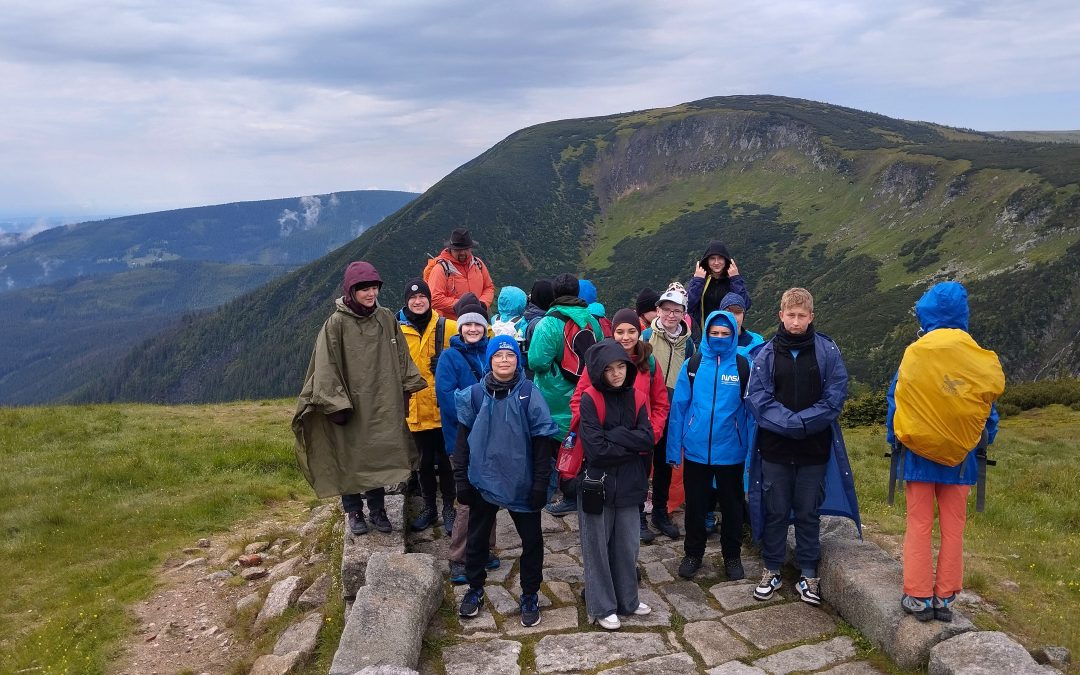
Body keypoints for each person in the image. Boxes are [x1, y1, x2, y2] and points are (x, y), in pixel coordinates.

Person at [887, 282, 1003, 622]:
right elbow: (987, 410)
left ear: (927, 314)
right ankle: (946, 596)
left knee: (919, 524)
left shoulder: (917, 351)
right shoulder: (975, 353)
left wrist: (894, 440)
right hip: (962, 459)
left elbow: (896, 398)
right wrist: (980, 442)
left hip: (918, 456)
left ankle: (918, 596)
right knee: (954, 528)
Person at [745, 288, 860, 606]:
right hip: (776, 448)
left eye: (802, 316)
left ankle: (809, 573)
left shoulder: (827, 351)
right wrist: (792, 423)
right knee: (776, 509)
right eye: (790, 315)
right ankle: (772, 569)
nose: (796, 321)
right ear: (781, 315)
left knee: (809, 511)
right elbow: (757, 398)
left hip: (813, 448)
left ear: (811, 317)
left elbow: (835, 394)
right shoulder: (766, 354)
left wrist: (801, 423)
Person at [293, 261, 427, 536]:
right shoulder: (336, 323)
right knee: (349, 456)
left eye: (374, 288)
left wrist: (405, 390)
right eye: (364, 289)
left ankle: (377, 511)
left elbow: (401, 355)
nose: (370, 294)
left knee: (377, 455)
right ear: (351, 291)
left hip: (382, 402)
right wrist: (334, 404)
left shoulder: (386, 318)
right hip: (349, 405)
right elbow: (326, 365)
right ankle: (353, 511)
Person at [454, 336, 558, 628]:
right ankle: (474, 589)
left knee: (532, 541)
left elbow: (542, 442)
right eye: (498, 355)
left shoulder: (529, 393)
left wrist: (540, 484)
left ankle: (529, 594)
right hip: (483, 480)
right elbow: (462, 443)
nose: (504, 360)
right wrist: (461, 479)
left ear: (517, 360)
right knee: (476, 539)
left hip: (522, 482)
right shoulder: (474, 395)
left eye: (509, 355)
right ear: (489, 360)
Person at [570, 309, 669, 542]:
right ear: (612, 333)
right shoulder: (598, 360)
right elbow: (579, 399)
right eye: (620, 331)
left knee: (636, 484)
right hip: (606, 443)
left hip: (640, 442)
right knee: (610, 490)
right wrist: (593, 430)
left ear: (639, 332)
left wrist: (651, 435)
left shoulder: (649, 362)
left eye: (632, 331)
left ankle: (637, 522)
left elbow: (660, 403)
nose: (626, 337)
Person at [667, 310, 752, 580]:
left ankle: (732, 557)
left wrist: (750, 456)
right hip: (696, 450)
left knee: (732, 507)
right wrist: (673, 450)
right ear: (706, 334)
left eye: (725, 333)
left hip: (732, 452)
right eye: (714, 332)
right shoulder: (693, 364)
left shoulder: (743, 365)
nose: (719, 337)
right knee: (695, 506)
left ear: (733, 334)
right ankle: (693, 554)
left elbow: (751, 414)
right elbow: (679, 408)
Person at [576, 340, 656, 629]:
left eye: (621, 366)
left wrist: (616, 434)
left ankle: (628, 600)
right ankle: (602, 605)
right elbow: (595, 450)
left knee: (627, 546)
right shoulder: (590, 399)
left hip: (629, 484)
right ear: (599, 371)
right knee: (596, 547)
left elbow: (647, 439)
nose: (617, 373)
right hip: (600, 484)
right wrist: (630, 442)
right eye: (609, 369)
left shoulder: (636, 397)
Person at [528, 273, 605, 516]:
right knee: (583, 441)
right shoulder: (593, 321)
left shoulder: (548, 324)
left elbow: (536, 361)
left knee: (558, 446)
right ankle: (584, 488)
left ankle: (568, 493)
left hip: (554, 395)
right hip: (586, 391)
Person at [435, 303, 497, 582]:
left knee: (492, 493)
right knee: (467, 497)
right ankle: (460, 557)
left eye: (478, 324)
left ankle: (486, 549)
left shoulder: (493, 351)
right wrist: (481, 416)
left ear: (485, 328)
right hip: (462, 437)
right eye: (468, 325)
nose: (473, 329)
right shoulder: (449, 357)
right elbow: (446, 398)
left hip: (494, 437)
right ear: (460, 328)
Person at [398, 278, 457, 534]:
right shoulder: (397, 331)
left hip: (443, 408)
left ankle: (449, 509)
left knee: (447, 462)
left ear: (429, 300)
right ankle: (430, 508)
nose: (418, 301)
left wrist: (449, 358)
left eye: (422, 297)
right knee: (422, 463)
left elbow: (477, 341)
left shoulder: (447, 326)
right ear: (406, 302)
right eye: (412, 298)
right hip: (415, 409)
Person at [643, 283, 695, 539]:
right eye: (666, 309)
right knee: (642, 462)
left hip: (673, 411)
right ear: (658, 310)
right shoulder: (645, 338)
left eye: (676, 310)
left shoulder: (690, 344)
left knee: (664, 463)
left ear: (684, 313)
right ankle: (639, 515)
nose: (671, 315)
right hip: (647, 410)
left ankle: (660, 512)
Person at [686, 241, 751, 340]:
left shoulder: (732, 281)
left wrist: (736, 279)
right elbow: (688, 306)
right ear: (707, 261)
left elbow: (744, 304)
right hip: (701, 336)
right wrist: (698, 281)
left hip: (728, 335)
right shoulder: (701, 279)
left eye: (720, 258)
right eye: (712, 258)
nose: (716, 262)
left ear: (726, 260)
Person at [428, 228, 495, 319]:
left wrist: (482, 304)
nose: (463, 253)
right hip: (451, 326)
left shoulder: (478, 263)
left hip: (477, 320)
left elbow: (489, 287)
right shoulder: (440, 269)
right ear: (450, 249)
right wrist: (463, 306)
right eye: (458, 250)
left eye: (466, 249)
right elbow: (434, 299)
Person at [719, 292, 765, 359]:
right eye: (728, 313)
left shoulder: (757, 343)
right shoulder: (712, 341)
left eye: (737, 312)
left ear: (743, 315)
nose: (733, 318)